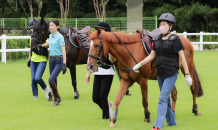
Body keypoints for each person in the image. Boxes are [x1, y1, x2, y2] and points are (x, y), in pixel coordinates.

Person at [132, 13, 193, 130]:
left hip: (171, 73)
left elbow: (183, 59)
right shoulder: (157, 39)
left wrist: (187, 75)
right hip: (160, 74)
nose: (161, 26)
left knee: (162, 98)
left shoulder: (176, 40)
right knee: (167, 99)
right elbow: (151, 56)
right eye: (160, 24)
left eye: (164, 24)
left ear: (170, 26)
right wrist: (139, 64)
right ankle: (172, 123)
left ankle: (157, 125)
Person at [85, 22, 115, 121]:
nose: (99, 32)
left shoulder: (110, 44)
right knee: (95, 98)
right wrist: (88, 73)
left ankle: (106, 117)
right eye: (99, 30)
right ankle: (108, 107)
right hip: (98, 72)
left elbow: (113, 60)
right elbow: (91, 58)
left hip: (108, 73)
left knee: (102, 97)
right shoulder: (96, 42)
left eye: (101, 30)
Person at [41, 19, 67, 106]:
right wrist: (39, 45)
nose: (50, 27)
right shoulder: (51, 36)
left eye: (52, 25)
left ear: (57, 26)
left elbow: (63, 51)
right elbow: (48, 44)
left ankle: (57, 97)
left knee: (50, 79)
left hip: (58, 61)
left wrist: (64, 63)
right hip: (51, 60)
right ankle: (56, 100)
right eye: (50, 25)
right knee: (54, 80)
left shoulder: (60, 37)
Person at [28, 18, 49, 100]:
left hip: (42, 59)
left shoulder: (43, 34)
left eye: (32, 28)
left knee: (37, 78)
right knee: (33, 80)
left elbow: (48, 44)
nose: (32, 30)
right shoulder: (32, 37)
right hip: (33, 60)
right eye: (30, 29)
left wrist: (41, 45)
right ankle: (35, 98)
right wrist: (29, 58)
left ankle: (46, 88)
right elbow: (31, 47)